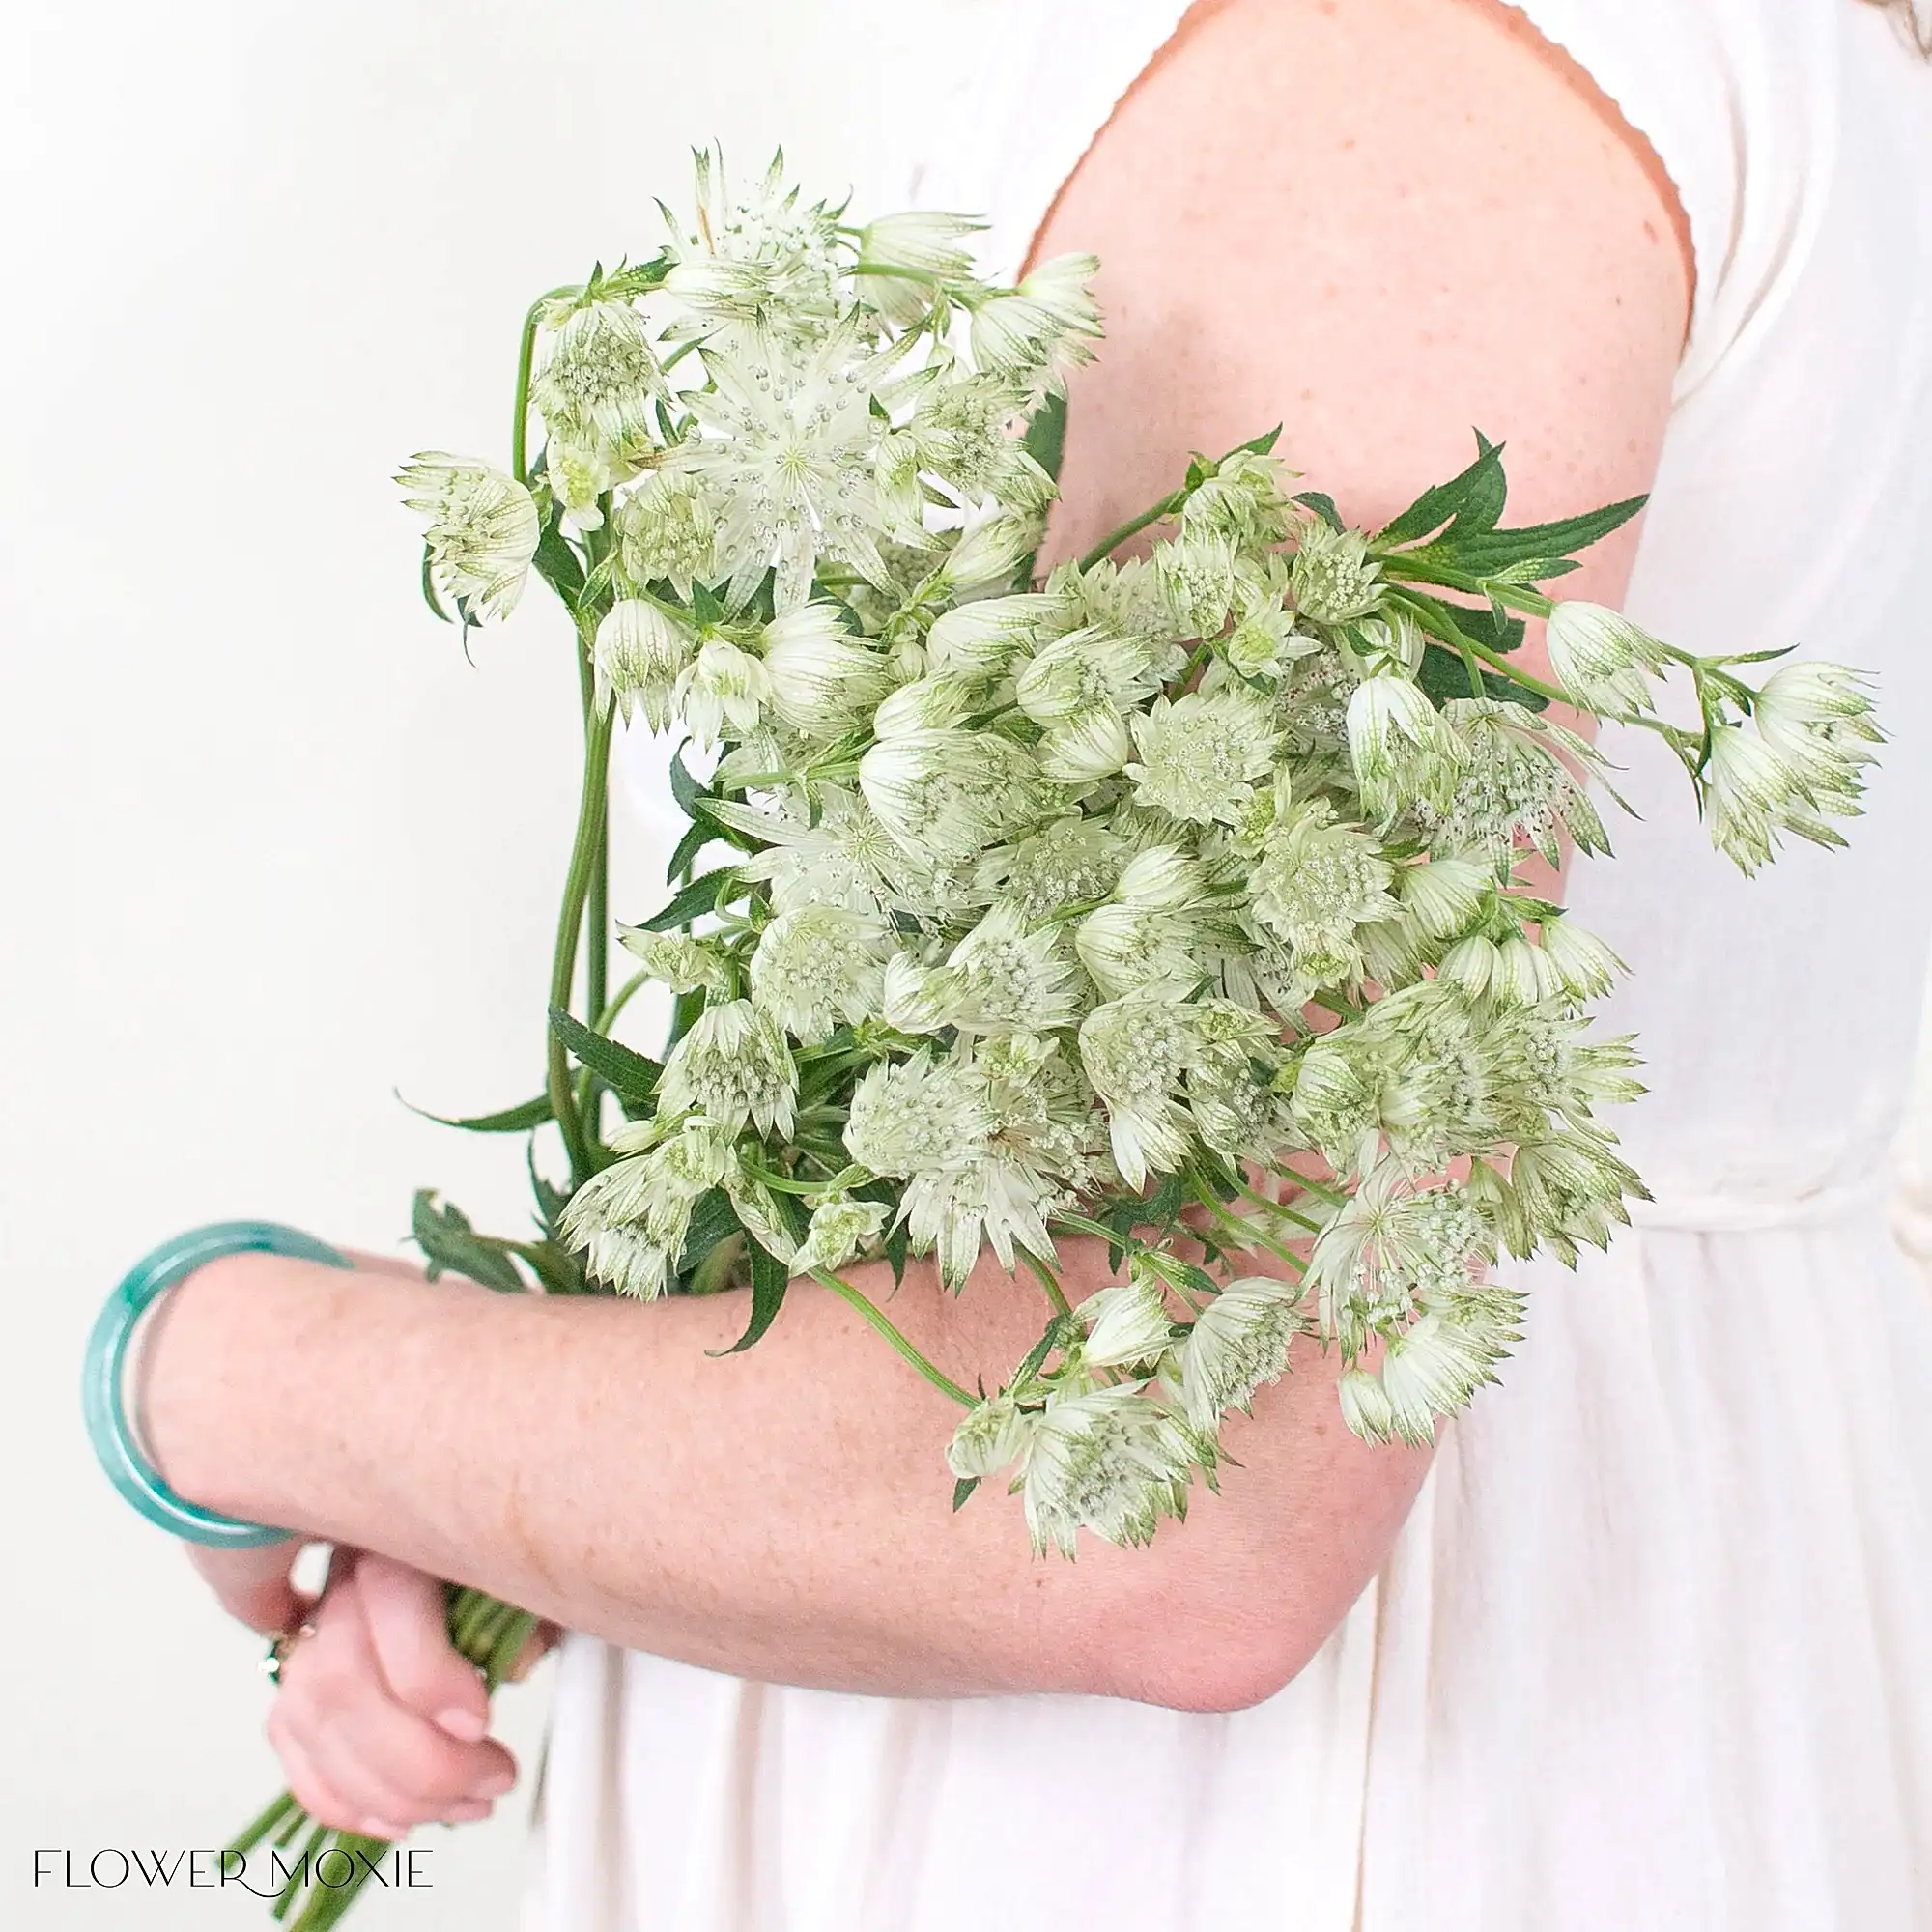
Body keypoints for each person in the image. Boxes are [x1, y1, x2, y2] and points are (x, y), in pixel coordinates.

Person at [125, 0, 1932, 1924]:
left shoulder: (1388, 65)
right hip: (1628, 1675)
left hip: (1269, 1813)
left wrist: (220, 1364)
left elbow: (1182, 1479)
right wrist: (536, 1491)